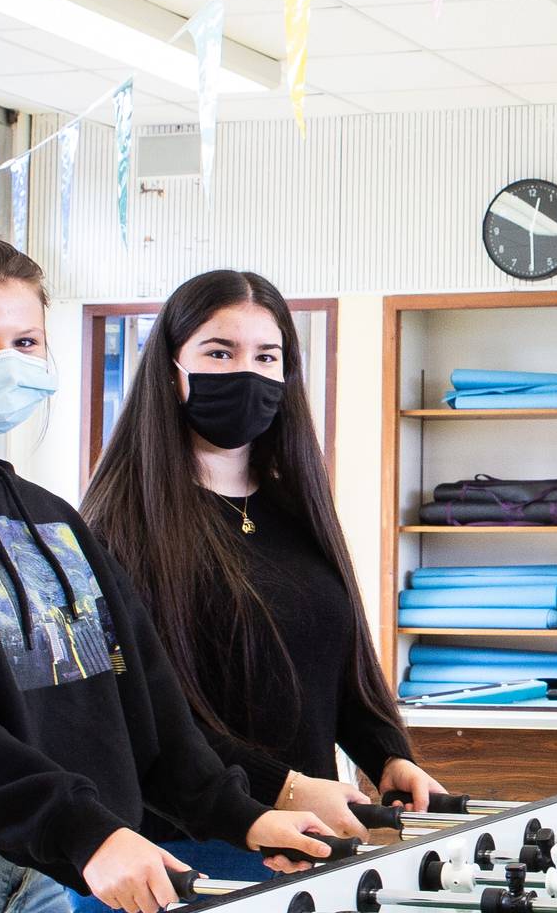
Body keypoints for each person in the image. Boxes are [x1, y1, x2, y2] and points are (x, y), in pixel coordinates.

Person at [0, 198, 335, 913]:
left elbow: (141, 699)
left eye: (25, 342)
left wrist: (241, 815)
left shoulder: (50, 519)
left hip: (42, 862)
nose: (6, 362)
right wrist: (85, 833)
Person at [81, 270, 445, 894]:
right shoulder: (117, 526)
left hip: (303, 845)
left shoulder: (295, 509)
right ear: (171, 370)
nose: (245, 372)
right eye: (219, 352)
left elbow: (333, 660)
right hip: (179, 856)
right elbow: (147, 715)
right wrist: (285, 787)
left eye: (266, 356)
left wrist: (387, 753)